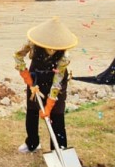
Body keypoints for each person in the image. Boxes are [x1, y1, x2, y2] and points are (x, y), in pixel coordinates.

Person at [14, 17, 78, 153]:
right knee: (32, 112)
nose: (51, 48)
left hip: (56, 82)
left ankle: (59, 150)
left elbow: (57, 82)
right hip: (35, 78)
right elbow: (18, 56)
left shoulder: (65, 56)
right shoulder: (32, 43)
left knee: (57, 116)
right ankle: (32, 143)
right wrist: (27, 78)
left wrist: (49, 106)